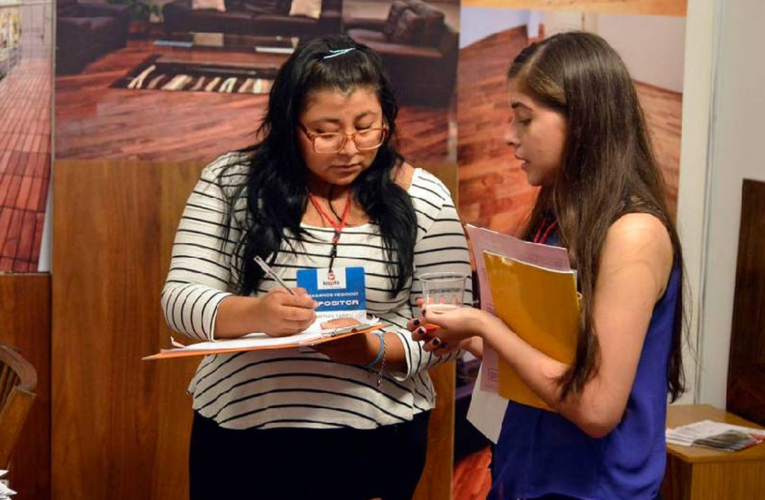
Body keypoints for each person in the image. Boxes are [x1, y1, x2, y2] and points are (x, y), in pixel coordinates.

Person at [161, 34, 471, 500]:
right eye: (325, 132)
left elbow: (448, 332)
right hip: (243, 434)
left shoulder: (425, 197)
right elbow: (180, 298)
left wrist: (370, 347)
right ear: (290, 125)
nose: (349, 148)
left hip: (374, 439)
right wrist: (257, 315)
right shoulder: (229, 181)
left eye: (367, 127)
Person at [409, 32, 685, 500]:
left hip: (590, 488)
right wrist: (469, 337)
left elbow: (596, 409)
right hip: (528, 473)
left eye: (525, 118)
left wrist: (486, 327)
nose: (508, 135)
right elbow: (548, 356)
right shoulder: (563, 215)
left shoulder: (632, 234)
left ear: (582, 120)